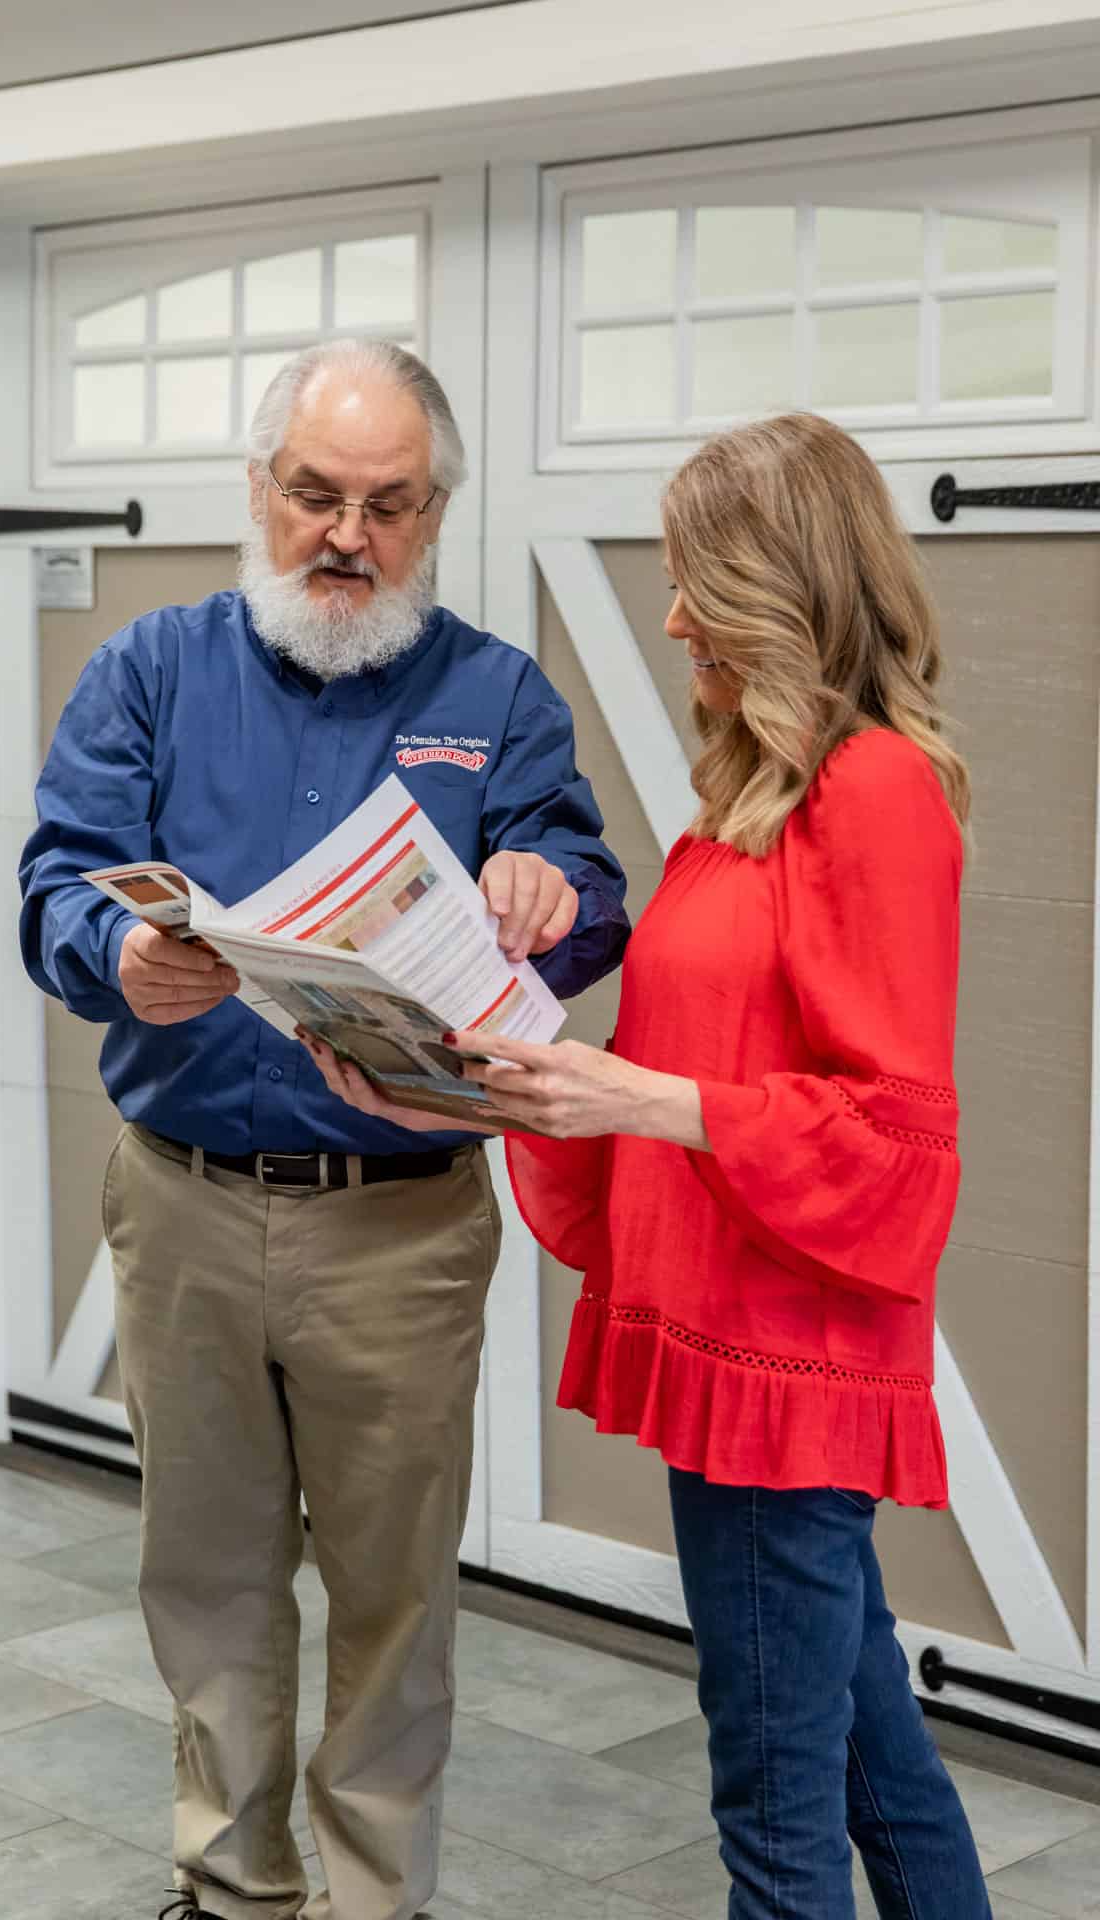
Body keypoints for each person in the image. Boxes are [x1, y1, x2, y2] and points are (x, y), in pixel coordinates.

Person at [305, 412, 989, 1919]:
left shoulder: (872, 793)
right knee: (876, 1759)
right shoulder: (751, 792)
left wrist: (647, 1097)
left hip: (782, 1362)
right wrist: (447, 1090)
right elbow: (673, 1073)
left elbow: (892, 1134)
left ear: (782, 584)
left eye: (697, 578)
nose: (673, 613)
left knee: (775, 1808)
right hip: (730, 1332)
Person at [18, 339, 628, 1920]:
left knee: (394, 1597)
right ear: (260, 490)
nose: (346, 535)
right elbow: (60, 883)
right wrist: (119, 959)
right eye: (315, 495)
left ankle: (370, 1900)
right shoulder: (150, 672)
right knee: (207, 1579)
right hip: (186, 1210)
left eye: (388, 505)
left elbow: (587, 894)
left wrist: (548, 903)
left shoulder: (495, 695)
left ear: (434, 515)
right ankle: (230, 1886)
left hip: (402, 1226)